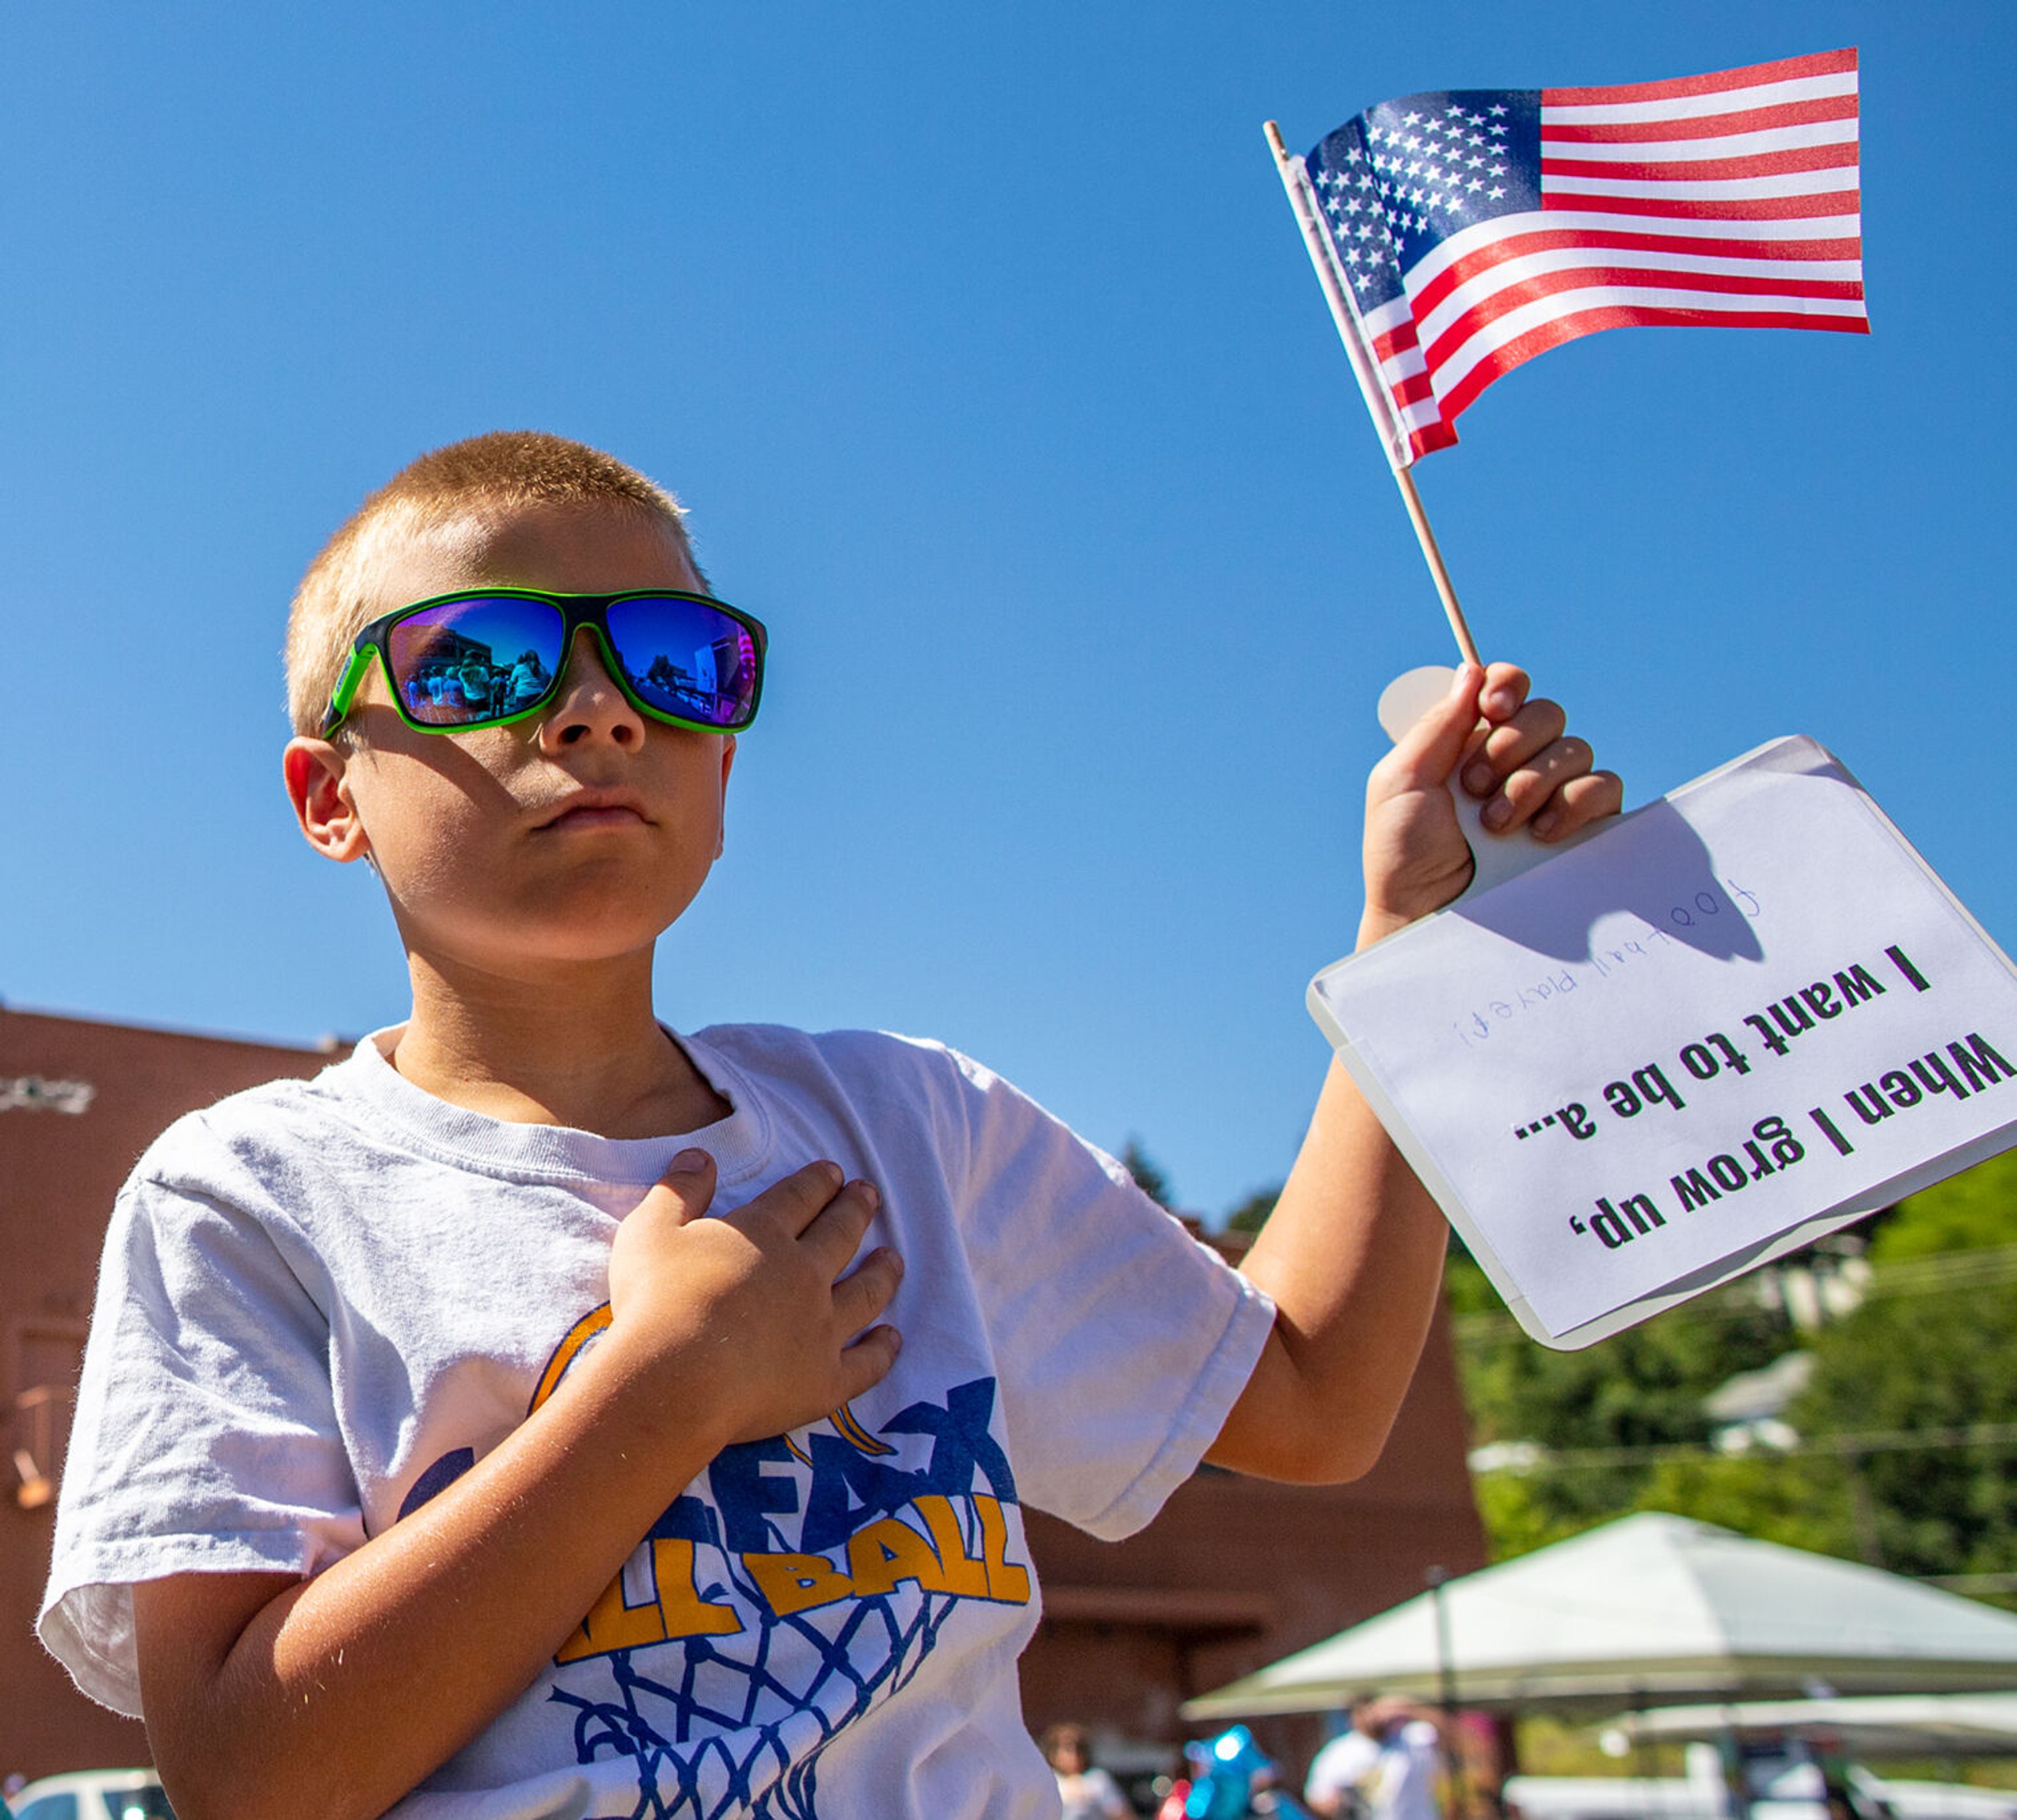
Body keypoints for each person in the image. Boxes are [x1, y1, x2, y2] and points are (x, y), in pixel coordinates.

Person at [37, 432, 1619, 1819]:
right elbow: (246, 1778)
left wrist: (1414, 946)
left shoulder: (905, 1123)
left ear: (725, 756)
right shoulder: (251, 1193)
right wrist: (662, 1392)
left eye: (676, 662)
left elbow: (1311, 1398)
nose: (595, 711)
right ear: (331, 798)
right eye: (477, 662)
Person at [1305, 1697, 1449, 1820]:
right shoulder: (1338, 1752)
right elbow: (1317, 1797)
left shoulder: (1412, 1737)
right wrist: (1338, 1804)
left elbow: (1454, 1736)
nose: (1370, 1718)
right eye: (1362, 1712)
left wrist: (1410, 1709)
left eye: (1373, 1710)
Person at [1043, 1723, 1134, 1819]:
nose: (1074, 1756)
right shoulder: (1048, 1782)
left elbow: (1120, 1813)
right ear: (1053, 1755)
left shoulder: (1098, 1780)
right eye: (1068, 1749)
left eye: (1079, 1749)